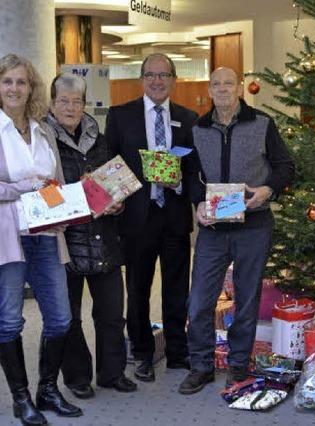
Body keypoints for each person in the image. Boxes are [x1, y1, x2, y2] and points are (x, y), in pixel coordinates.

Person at [178, 67, 294, 395]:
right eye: (216, 84)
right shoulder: (197, 128)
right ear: (210, 90)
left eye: (229, 83)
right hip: (213, 228)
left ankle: (238, 365)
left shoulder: (262, 123)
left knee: (246, 298)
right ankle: (200, 366)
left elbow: (285, 166)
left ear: (240, 87)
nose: (223, 89)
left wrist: (267, 190)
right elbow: (189, 173)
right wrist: (198, 202)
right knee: (200, 298)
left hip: (254, 225)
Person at [0, 54, 82, 425]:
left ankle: (47, 390)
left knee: (61, 318)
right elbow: (25, 184)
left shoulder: (42, 129)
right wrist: (24, 187)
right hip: (8, 238)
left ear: (31, 87)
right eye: (7, 81)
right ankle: (21, 399)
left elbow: (56, 182)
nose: (15, 88)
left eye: (21, 81)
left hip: (46, 234)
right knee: (9, 321)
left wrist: (61, 211)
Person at [105, 53, 198, 383]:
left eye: (164, 75)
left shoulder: (189, 119)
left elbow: (195, 171)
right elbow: (110, 164)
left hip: (173, 213)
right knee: (138, 288)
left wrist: (179, 182)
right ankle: (142, 353)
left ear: (174, 79)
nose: (157, 81)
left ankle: (177, 351)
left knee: (176, 288)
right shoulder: (120, 116)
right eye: (150, 75)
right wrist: (113, 200)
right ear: (142, 79)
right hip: (136, 216)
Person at [45, 72, 137, 399]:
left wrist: (117, 203)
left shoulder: (100, 139)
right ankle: (77, 378)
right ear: (52, 103)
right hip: (64, 244)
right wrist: (76, 193)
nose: (71, 107)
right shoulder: (43, 140)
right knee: (69, 318)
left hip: (104, 239)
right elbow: (43, 193)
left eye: (77, 101)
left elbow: (114, 183)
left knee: (112, 314)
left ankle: (112, 374)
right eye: (63, 101)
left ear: (84, 104)